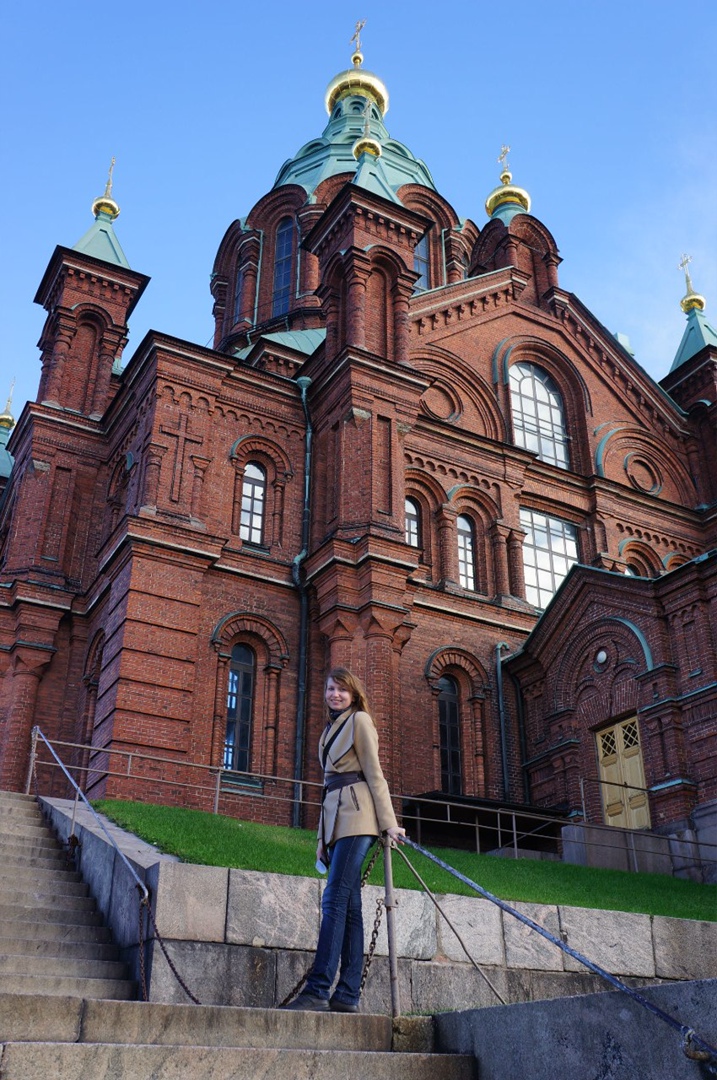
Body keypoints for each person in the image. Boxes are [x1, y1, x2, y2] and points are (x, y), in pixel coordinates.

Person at [283, 666, 405, 1013]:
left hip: (360, 817)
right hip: (337, 822)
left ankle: (318, 989)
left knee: (334, 899)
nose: (335, 694)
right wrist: (321, 839)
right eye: (330, 689)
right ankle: (347, 995)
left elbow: (374, 773)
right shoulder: (331, 728)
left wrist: (390, 824)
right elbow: (328, 787)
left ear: (353, 694)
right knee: (349, 908)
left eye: (341, 690)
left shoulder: (359, 721)